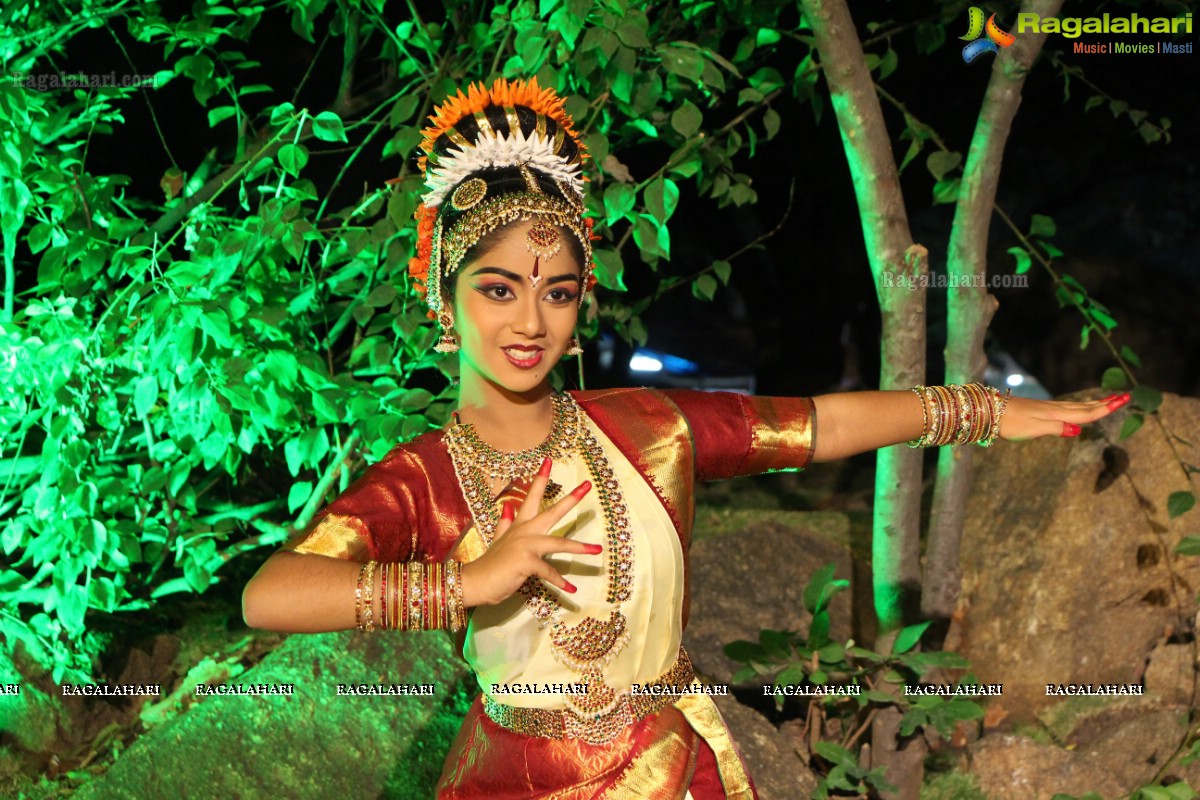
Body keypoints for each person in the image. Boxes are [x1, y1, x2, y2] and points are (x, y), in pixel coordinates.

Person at [241, 77, 1129, 798]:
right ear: (445, 299)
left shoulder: (647, 426)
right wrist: (469, 581)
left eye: (555, 293)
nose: (530, 320)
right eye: (498, 287)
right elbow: (270, 596)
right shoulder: (424, 479)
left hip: (671, 765)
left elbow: (816, 427)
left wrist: (977, 410)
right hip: (514, 775)